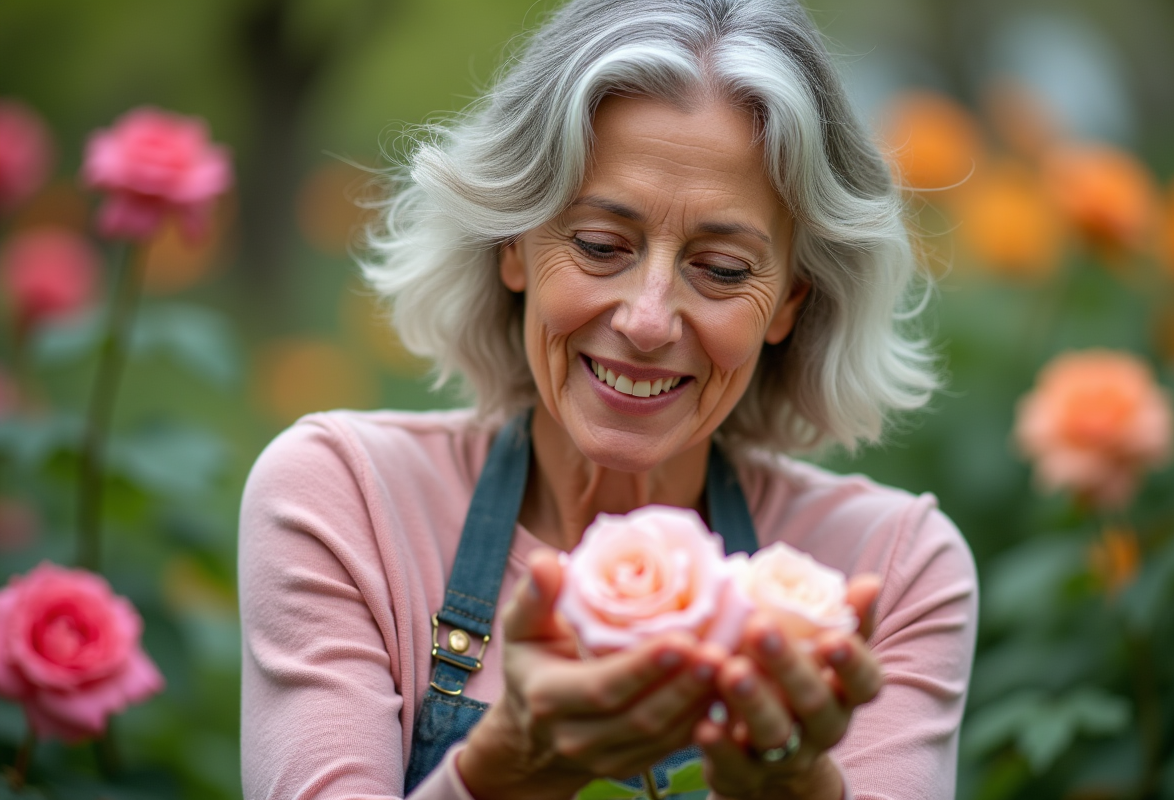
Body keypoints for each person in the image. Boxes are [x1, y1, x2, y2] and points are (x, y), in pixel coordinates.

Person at [238, 0, 978, 798]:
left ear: (791, 302)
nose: (649, 318)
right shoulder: (346, 499)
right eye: (599, 246)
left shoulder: (896, 571)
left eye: (723, 268)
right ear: (513, 244)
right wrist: (502, 772)